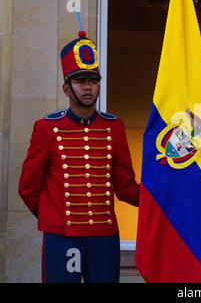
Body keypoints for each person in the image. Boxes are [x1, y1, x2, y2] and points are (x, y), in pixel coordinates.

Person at [18, 29, 140, 283]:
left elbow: (126, 187)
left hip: (104, 237)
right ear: (66, 88)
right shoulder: (46, 128)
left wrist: (165, 195)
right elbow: (27, 187)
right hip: (62, 237)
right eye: (80, 81)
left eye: (93, 81)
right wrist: (54, 217)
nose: (88, 87)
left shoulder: (114, 128)